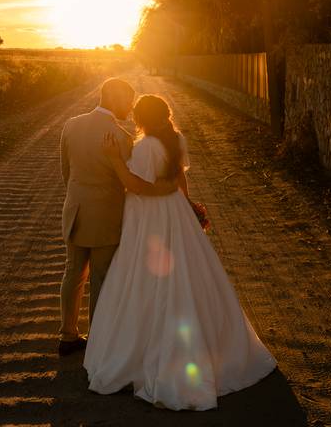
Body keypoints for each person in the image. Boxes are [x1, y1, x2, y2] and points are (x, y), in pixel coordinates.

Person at [84, 94, 277, 411]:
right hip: (174, 213)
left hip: (152, 219)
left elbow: (139, 186)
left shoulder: (147, 147)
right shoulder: (174, 139)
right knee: (189, 272)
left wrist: (115, 159)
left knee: (148, 276)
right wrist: (186, 206)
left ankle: (160, 357)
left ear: (142, 118)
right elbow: (179, 178)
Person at [58, 79, 176, 356]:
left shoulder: (70, 125)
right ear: (113, 97)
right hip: (107, 216)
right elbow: (130, 182)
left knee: (73, 273)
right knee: (101, 278)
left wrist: (80, 197)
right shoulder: (122, 138)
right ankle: (99, 339)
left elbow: (66, 171)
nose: (131, 107)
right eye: (128, 100)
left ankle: (67, 335)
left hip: (75, 210)